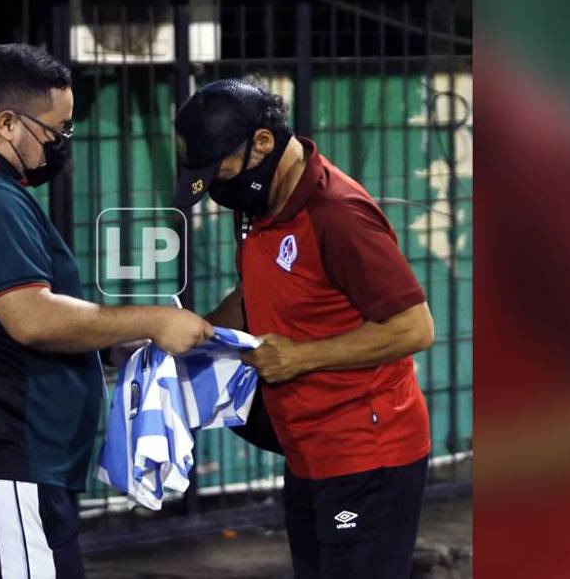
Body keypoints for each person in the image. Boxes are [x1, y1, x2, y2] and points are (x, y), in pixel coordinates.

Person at [0, 43, 212, 579]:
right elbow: (32, 318)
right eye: (55, 132)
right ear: (8, 123)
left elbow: (6, 320)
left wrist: (107, 342)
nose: (60, 147)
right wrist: (154, 320)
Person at [173, 78, 435, 578]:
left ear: (263, 143)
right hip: (308, 453)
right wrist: (191, 335)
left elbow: (414, 328)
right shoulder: (258, 206)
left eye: (222, 169)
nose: (218, 187)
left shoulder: (338, 214)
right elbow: (254, 294)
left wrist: (299, 356)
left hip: (367, 455)